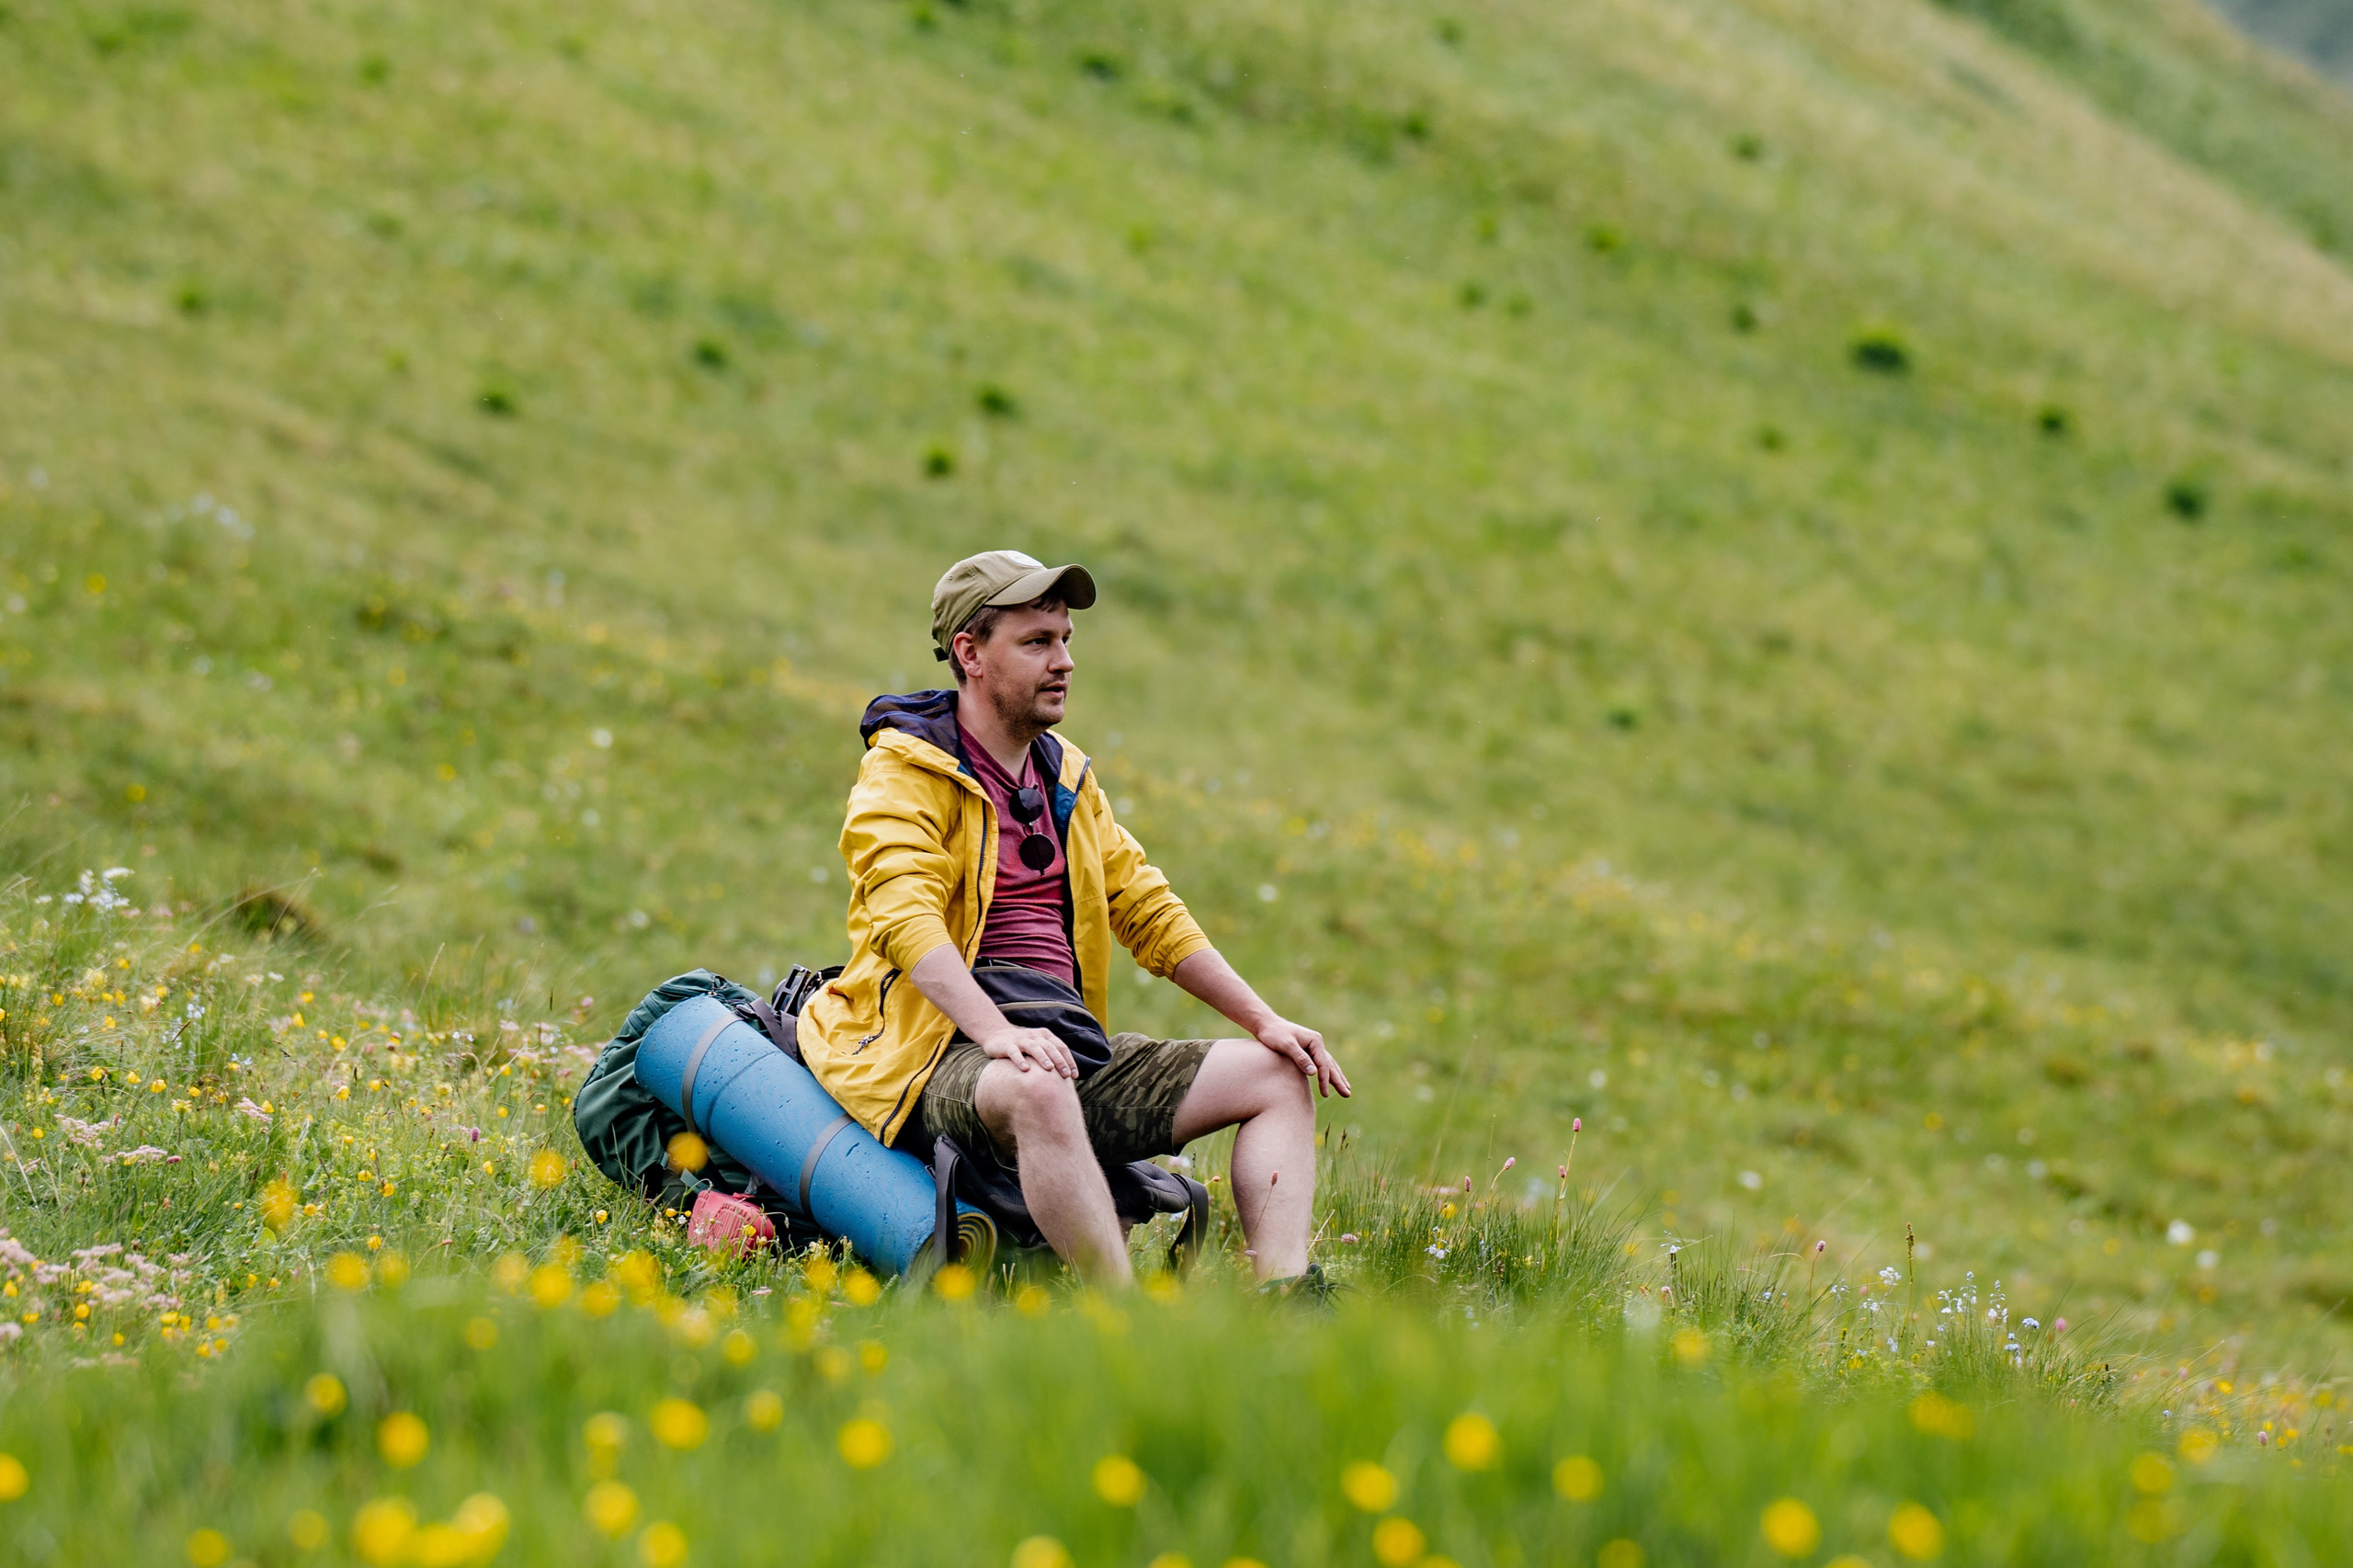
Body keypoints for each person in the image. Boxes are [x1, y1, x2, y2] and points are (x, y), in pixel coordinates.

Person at [794, 550, 1350, 1287]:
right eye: (1037, 643)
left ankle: (1285, 1300)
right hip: (940, 1055)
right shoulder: (903, 773)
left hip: (1065, 1046)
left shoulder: (1067, 777)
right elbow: (907, 919)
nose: (1064, 662)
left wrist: (1263, 1020)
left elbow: (1147, 909)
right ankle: (1121, 1327)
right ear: (970, 653)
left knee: (1279, 1073)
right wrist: (998, 1034)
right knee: (1036, 1086)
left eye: (1065, 640)